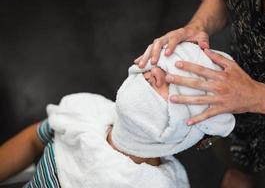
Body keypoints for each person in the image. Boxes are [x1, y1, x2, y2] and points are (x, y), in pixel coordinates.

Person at [0, 42, 235, 188]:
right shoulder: (86, 111)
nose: (155, 74)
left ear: (189, 131)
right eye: (163, 65)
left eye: (176, 85)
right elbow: (33, 140)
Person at [135, 0, 265, 187]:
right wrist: (198, 25)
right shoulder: (218, 122)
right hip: (236, 120)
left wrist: (261, 97)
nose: (157, 76)